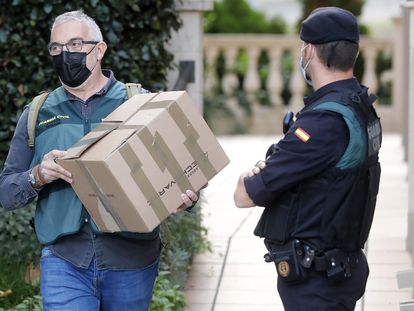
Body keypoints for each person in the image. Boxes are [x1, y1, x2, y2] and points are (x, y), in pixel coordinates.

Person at [0, 10, 200, 311]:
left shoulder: (138, 104)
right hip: (64, 261)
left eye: (76, 45)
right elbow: (6, 191)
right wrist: (38, 175)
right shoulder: (37, 112)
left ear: (100, 49)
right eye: (57, 48)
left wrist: (185, 198)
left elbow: (182, 172)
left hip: (132, 260)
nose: (65, 55)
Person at [234, 7, 382, 311]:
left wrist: (246, 179)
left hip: (317, 281)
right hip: (340, 268)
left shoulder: (323, 122)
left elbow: (246, 196)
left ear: (309, 51)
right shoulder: (361, 106)